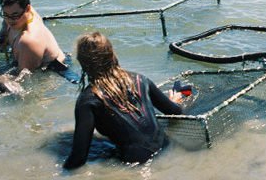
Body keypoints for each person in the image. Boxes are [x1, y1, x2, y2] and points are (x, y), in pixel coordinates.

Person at [64, 31, 183, 170]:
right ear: (112, 54)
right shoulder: (140, 79)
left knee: (63, 144)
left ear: (82, 63)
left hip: (135, 164)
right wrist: (174, 101)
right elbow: (175, 111)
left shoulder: (88, 100)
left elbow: (78, 158)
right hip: (165, 147)